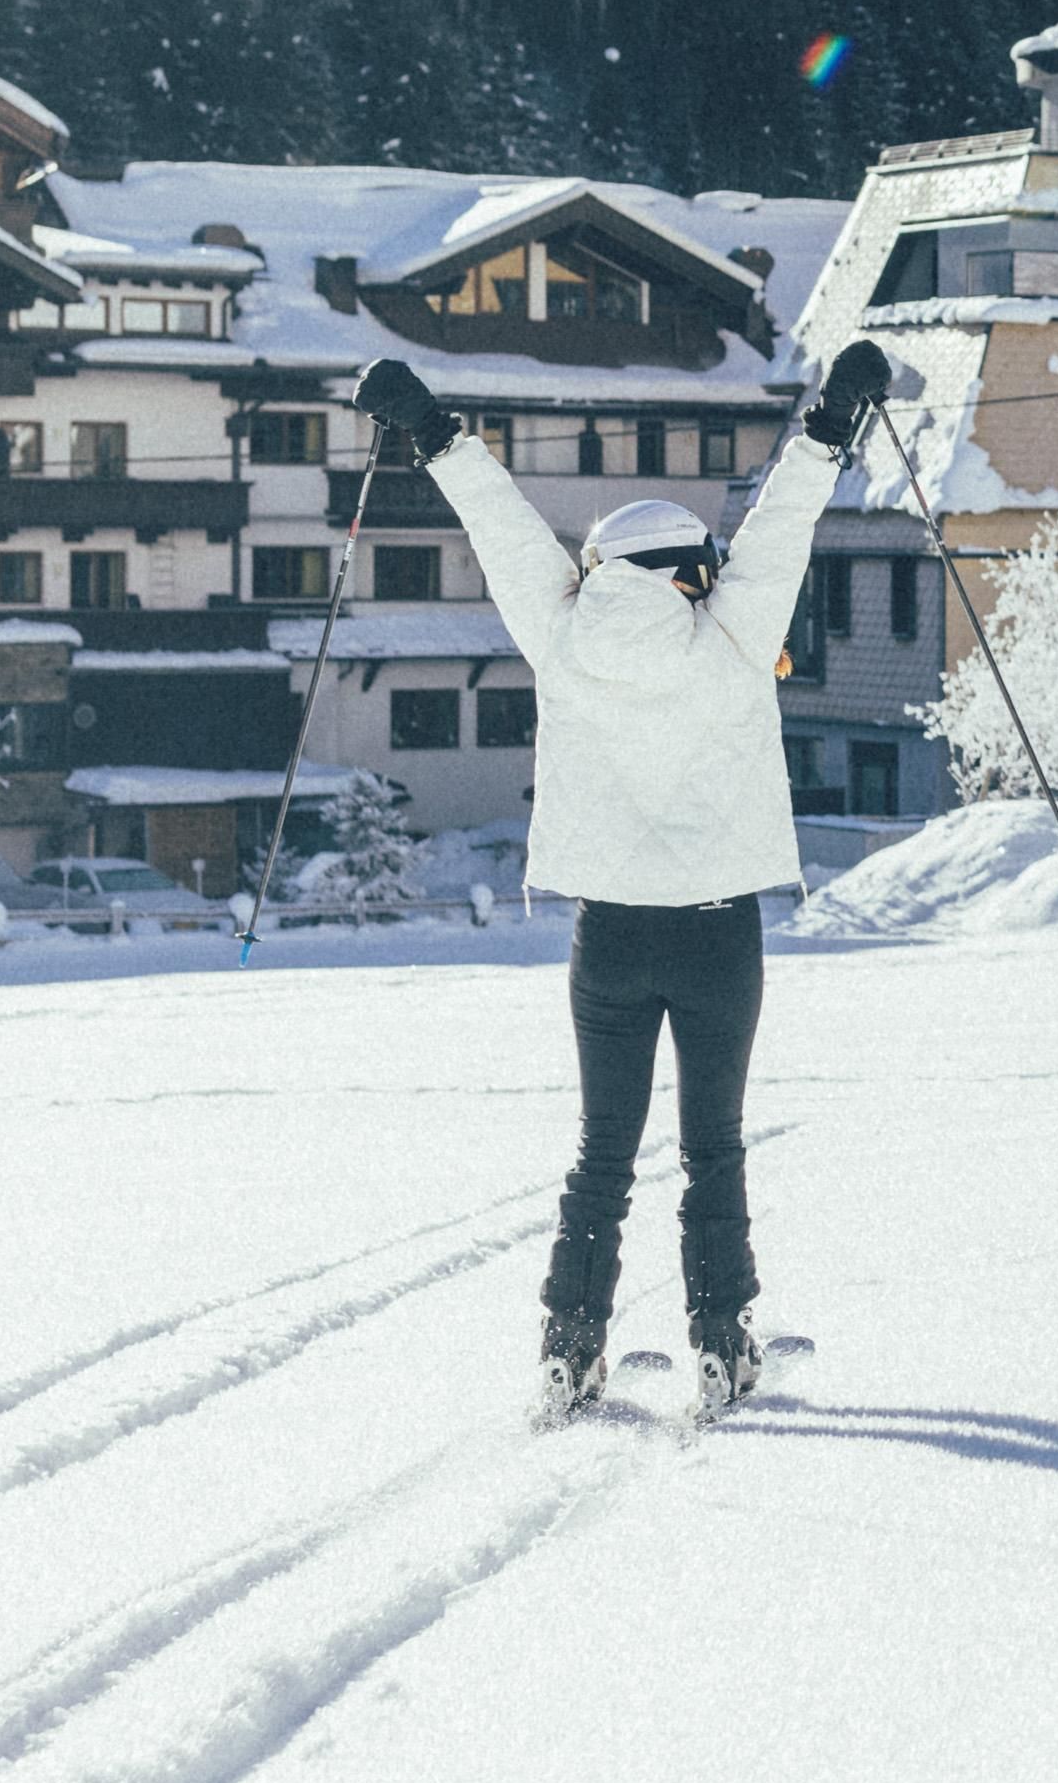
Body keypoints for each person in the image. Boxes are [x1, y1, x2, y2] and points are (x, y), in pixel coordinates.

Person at [348, 339, 892, 1418]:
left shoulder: (558, 631)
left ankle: (570, 1347)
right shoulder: (737, 633)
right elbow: (781, 526)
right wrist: (835, 416)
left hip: (607, 941)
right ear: (690, 569)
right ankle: (723, 1346)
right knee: (712, 1149)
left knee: (602, 1152)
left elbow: (502, 529)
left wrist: (432, 428)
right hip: (717, 935)